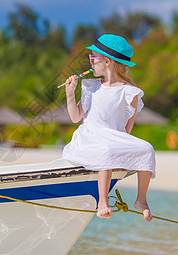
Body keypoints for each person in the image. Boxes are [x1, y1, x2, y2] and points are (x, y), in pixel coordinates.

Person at [62, 34, 156, 221]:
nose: (90, 62)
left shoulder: (130, 92)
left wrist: (120, 145)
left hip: (115, 137)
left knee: (147, 149)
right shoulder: (91, 87)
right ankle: (102, 202)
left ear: (106, 61)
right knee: (106, 150)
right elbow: (75, 117)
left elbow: (127, 129)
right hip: (90, 136)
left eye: (92, 57)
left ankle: (141, 200)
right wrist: (70, 94)